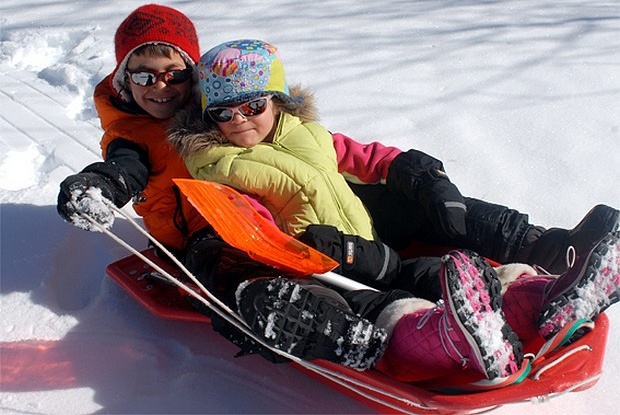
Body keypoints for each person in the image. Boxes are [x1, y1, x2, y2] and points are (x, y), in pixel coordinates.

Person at [168, 38, 620, 382]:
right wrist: (317, 253)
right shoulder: (218, 168)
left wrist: (422, 176)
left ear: (276, 99)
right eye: (224, 113)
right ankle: (445, 338)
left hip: (371, 247)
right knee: (391, 306)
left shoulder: (306, 133)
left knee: (442, 272)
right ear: (208, 117)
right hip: (322, 272)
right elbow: (253, 231)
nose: (241, 120)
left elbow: (367, 159)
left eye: (253, 105)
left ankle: (547, 298)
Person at [56, 4, 273, 260]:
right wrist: (100, 185)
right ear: (126, 80)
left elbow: (272, 128)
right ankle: (265, 296)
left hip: (259, 220)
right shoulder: (131, 136)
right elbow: (125, 168)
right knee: (220, 263)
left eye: (174, 75)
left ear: (191, 76)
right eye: (144, 77)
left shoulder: (218, 110)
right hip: (191, 243)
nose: (160, 86)